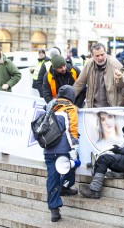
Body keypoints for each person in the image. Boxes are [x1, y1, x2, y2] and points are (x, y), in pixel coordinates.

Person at [80, 111, 124, 199]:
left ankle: (94, 190)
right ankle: (121, 173)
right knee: (108, 158)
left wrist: (118, 150)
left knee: (104, 159)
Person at [43, 85, 79, 222]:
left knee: (52, 177)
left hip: (48, 149)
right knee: (73, 163)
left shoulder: (50, 106)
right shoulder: (70, 108)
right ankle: (65, 185)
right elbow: (72, 130)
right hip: (63, 150)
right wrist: (75, 148)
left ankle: (54, 209)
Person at [73, 43, 124, 108]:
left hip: (112, 107)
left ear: (106, 53)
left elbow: (123, 84)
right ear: (92, 56)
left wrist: (120, 78)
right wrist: (67, 98)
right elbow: (79, 84)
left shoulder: (115, 64)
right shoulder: (88, 65)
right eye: (97, 56)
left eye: (102, 54)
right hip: (94, 107)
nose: (100, 58)